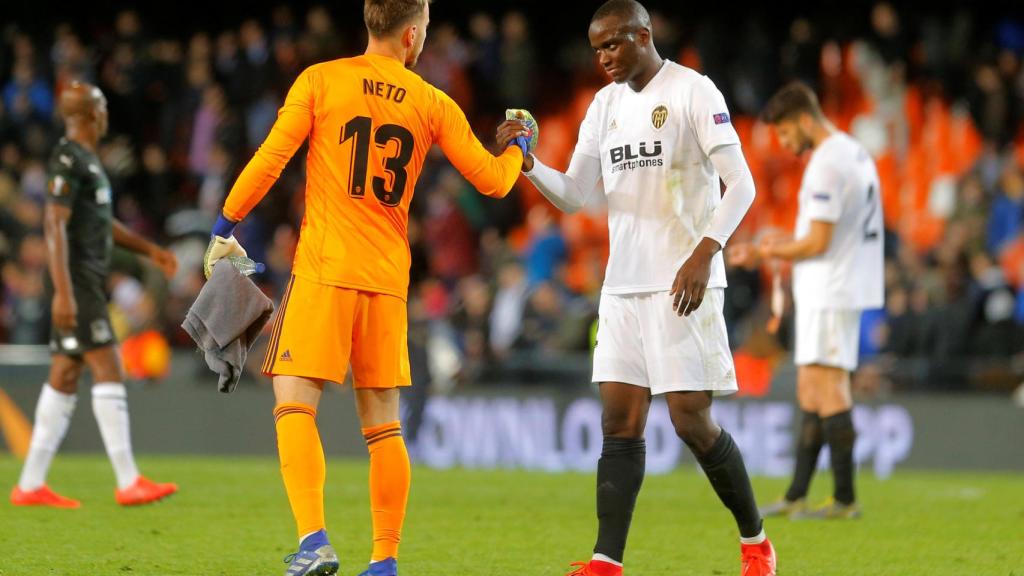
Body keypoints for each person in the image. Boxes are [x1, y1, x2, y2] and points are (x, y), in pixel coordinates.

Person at [203, 1, 527, 574]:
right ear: (410, 33)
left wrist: (225, 226)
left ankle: (313, 541)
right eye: (425, 30)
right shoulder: (432, 101)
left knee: (295, 402)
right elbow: (494, 182)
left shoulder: (322, 80)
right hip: (386, 281)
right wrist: (519, 145)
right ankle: (384, 560)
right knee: (384, 425)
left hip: (325, 269)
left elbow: (271, 160)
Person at [499, 1, 776, 574]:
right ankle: (607, 561)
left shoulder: (694, 92)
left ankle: (756, 543)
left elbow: (743, 186)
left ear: (644, 35)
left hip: (684, 282)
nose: (603, 57)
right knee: (618, 423)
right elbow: (576, 192)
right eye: (596, 48)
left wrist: (705, 253)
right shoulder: (604, 105)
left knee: (690, 420)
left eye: (613, 45)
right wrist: (527, 163)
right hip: (623, 287)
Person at [10, 81, 179, 509]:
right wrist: (63, 293)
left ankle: (30, 484)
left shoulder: (87, 161)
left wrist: (149, 250)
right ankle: (128, 480)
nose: (106, 116)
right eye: (101, 108)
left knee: (66, 375)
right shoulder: (68, 157)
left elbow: (102, 224)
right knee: (108, 364)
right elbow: (54, 224)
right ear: (88, 114)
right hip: (76, 280)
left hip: (83, 278)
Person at [729, 81, 884, 520]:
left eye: (783, 133)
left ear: (802, 120)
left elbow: (818, 241)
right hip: (838, 282)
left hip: (833, 286)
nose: (783, 142)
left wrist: (763, 250)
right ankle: (797, 494)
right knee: (810, 390)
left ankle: (845, 499)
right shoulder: (854, 151)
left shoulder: (826, 165)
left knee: (830, 390)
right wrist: (784, 241)